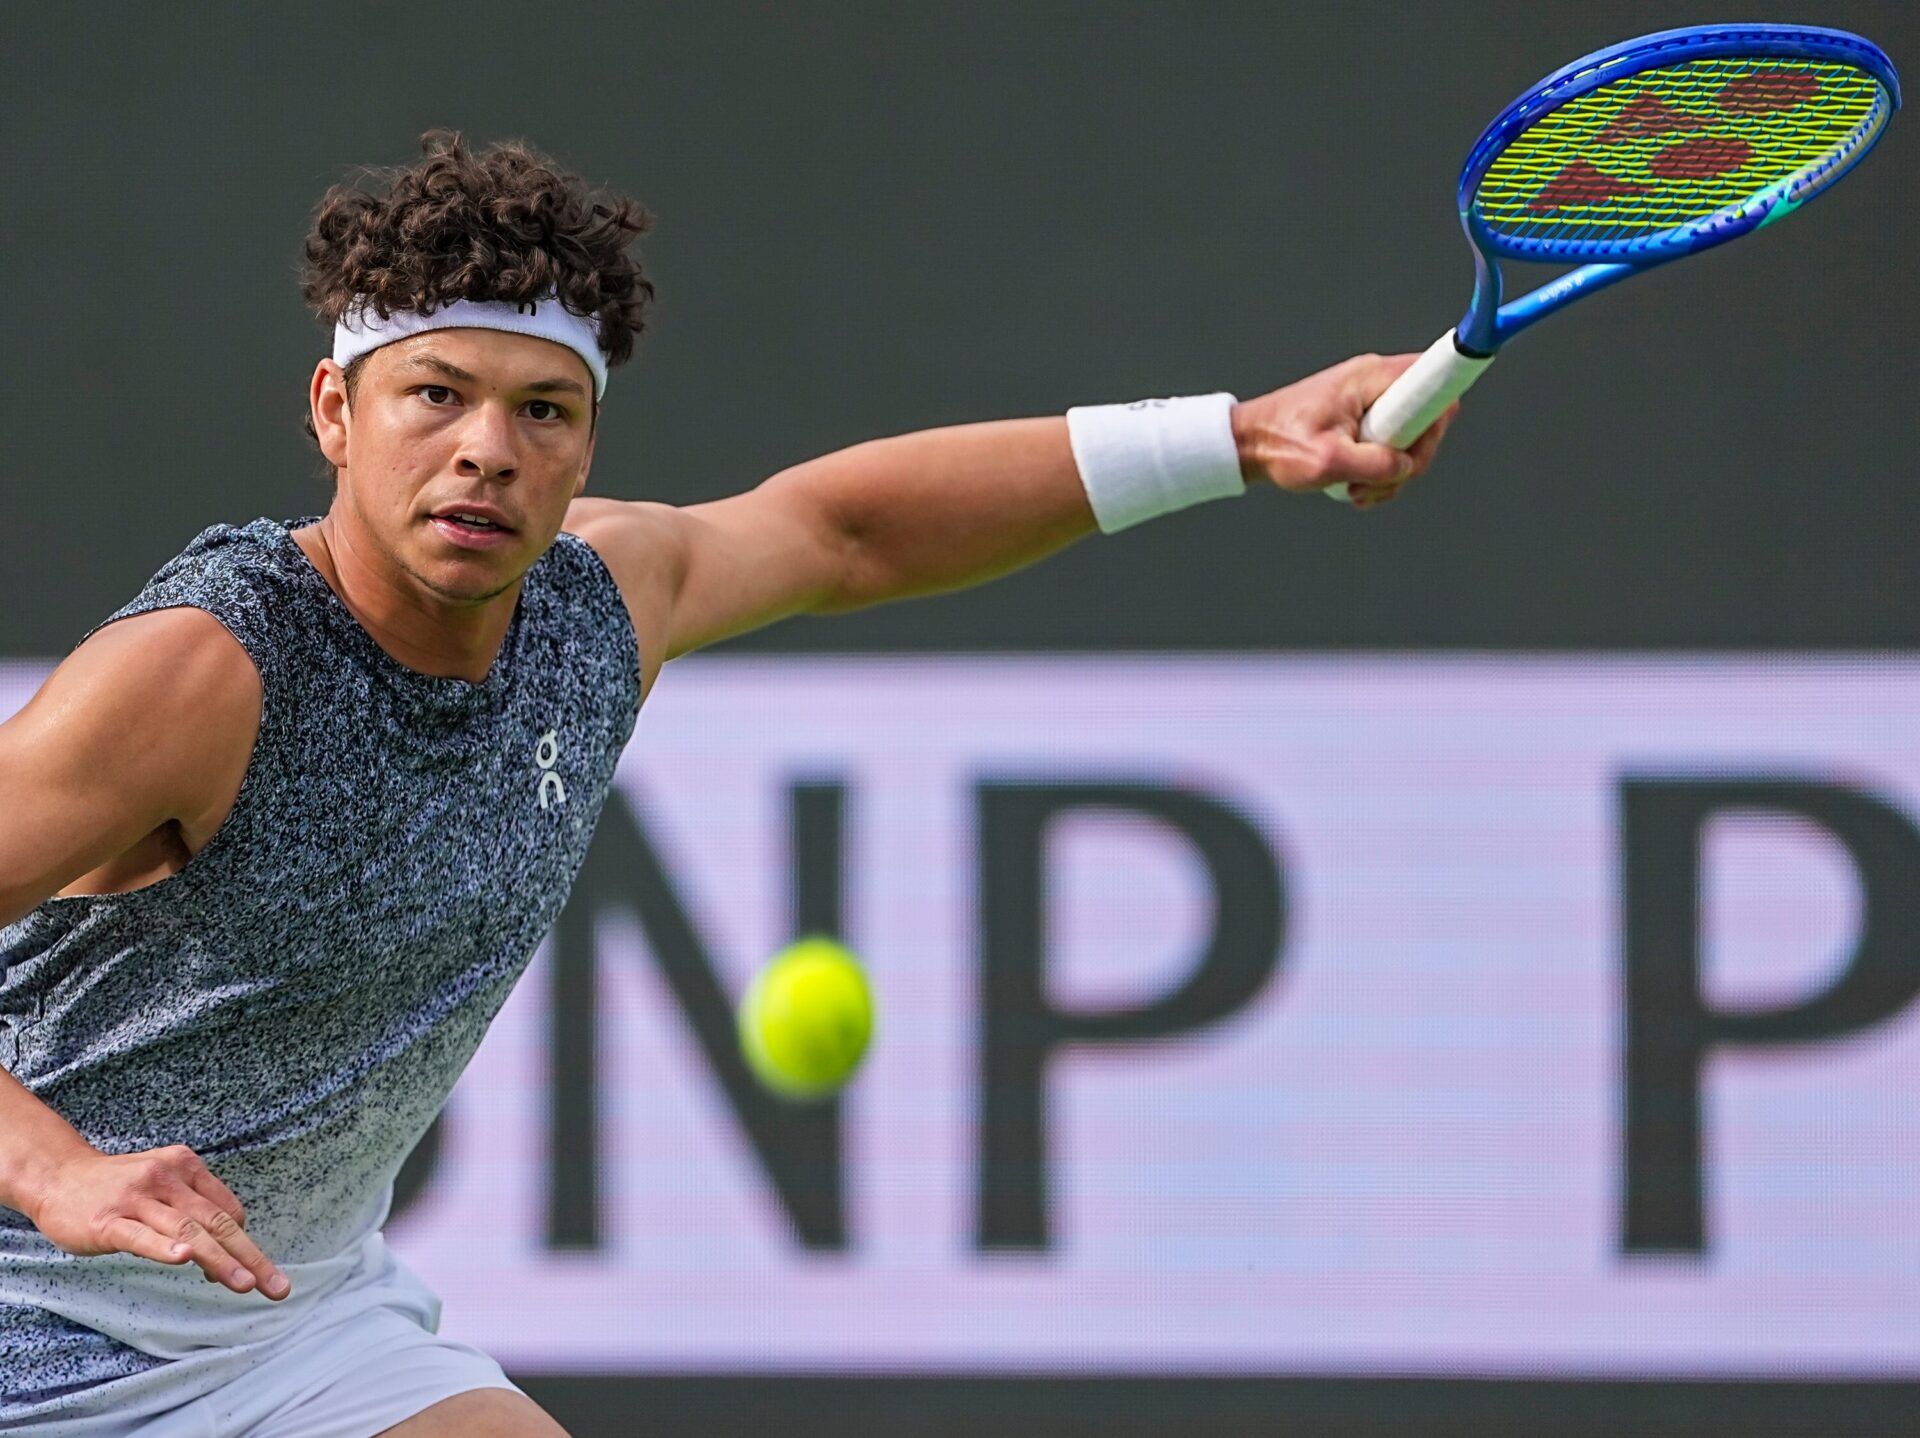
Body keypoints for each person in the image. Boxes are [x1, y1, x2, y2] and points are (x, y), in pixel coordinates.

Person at [0, 131, 1456, 1437]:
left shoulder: (600, 607)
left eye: (543, 411)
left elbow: (847, 533)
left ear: (587, 441)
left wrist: (1238, 437)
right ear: (335, 410)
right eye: (435, 395)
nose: (487, 451)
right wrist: (57, 1168)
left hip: (291, 1322)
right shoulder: (205, 669)